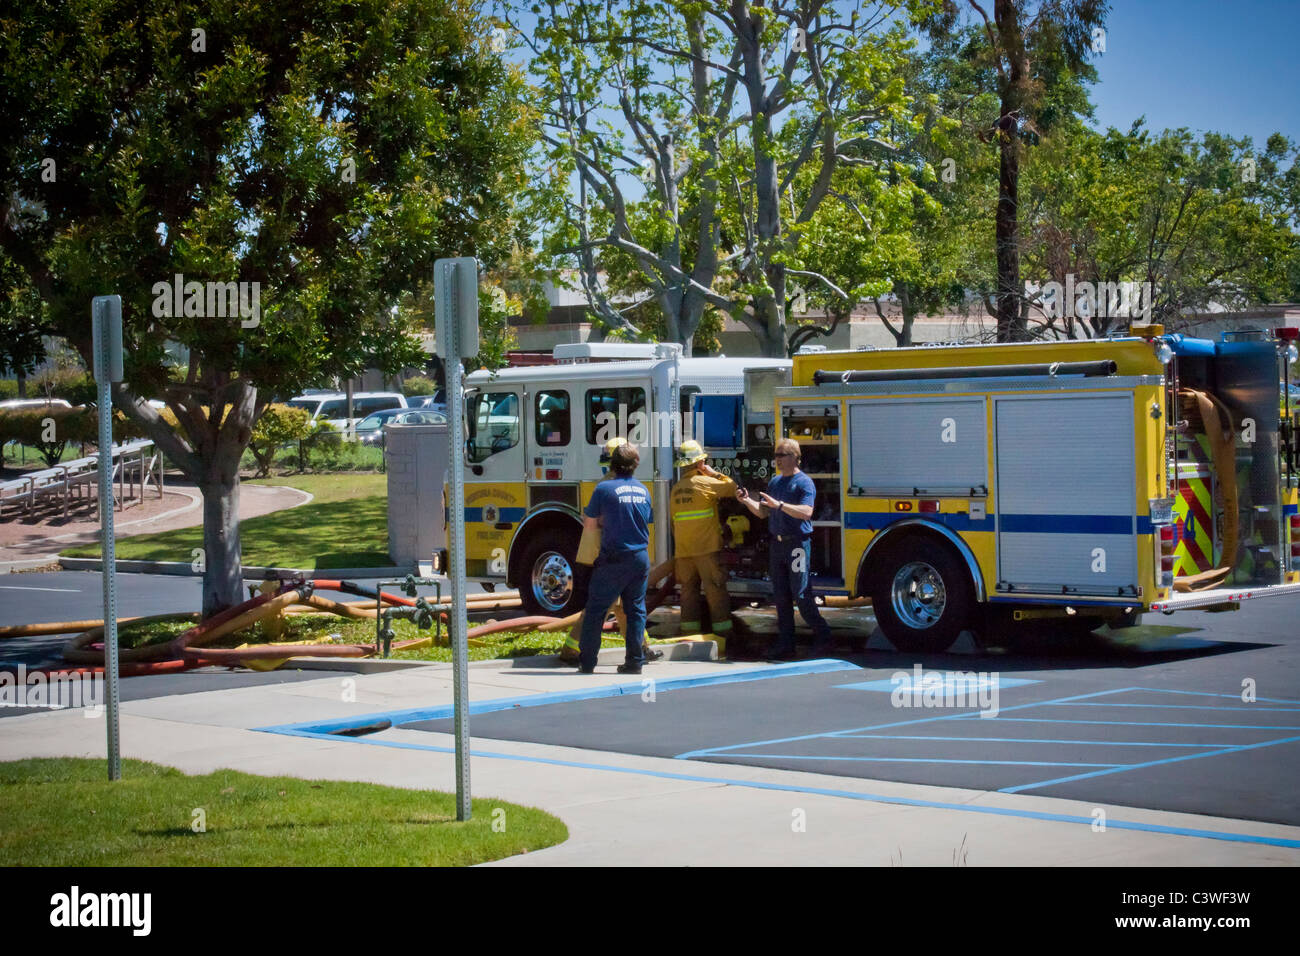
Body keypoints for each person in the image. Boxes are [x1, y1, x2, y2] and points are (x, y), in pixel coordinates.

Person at [736, 436, 833, 660]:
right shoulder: (775, 483)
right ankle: (786, 643)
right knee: (780, 595)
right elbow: (762, 512)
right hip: (777, 545)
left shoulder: (804, 483)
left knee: (800, 593)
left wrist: (779, 505)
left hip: (797, 543)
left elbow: (807, 512)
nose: (777, 459)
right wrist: (746, 501)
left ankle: (824, 636)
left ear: (794, 457)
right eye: (776, 455)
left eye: (781, 455)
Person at [577, 440, 654, 674]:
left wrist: (603, 519)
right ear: (635, 464)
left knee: (596, 610)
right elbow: (644, 519)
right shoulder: (644, 490)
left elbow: (589, 525)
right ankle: (635, 662)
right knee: (636, 610)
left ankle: (588, 662)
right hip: (640, 558)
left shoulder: (604, 489)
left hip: (614, 558)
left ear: (612, 463)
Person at [670, 439, 736, 644]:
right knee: (714, 589)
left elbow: (673, 523)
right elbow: (732, 488)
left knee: (688, 592)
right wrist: (713, 473)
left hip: (683, 551)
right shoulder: (705, 482)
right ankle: (723, 636)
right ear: (699, 463)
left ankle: (688, 635)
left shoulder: (676, 489)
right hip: (706, 549)